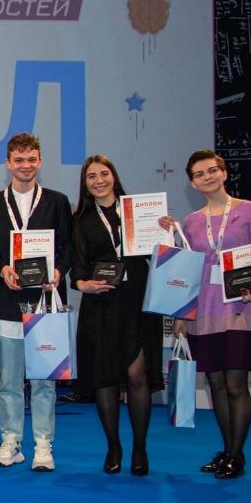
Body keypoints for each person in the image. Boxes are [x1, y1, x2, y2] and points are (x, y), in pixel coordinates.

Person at [160, 150, 251, 480]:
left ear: (224, 173)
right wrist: (181, 314)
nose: (207, 177)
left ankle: (237, 455)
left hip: (238, 306)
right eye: (199, 174)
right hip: (204, 309)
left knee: (236, 383)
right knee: (216, 384)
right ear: (193, 184)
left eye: (212, 170)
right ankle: (227, 451)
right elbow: (187, 271)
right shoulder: (192, 222)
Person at [0, 133, 72, 472]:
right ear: (8, 163)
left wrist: (58, 271)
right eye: (19, 160)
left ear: (40, 162)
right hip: (7, 303)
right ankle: (11, 442)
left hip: (46, 301)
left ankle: (43, 445)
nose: (25, 166)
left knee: (45, 379)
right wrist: (1, 267)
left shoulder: (57, 201)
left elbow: (69, 248)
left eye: (31, 159)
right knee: (9, 381)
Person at [69, 155, 164, 476]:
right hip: (101, 303)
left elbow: (160, 251)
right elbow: (78, 265)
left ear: (114, 176)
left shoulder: (137, 210)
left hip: (137, 299)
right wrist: (82, 284)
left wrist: (165, 230)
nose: (99, 181)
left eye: (104, 174)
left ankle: (140, 447)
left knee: (137, 375)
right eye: (91, 176)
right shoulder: (80, 219)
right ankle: (113, 446)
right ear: (85, 184)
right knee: (104, 378)